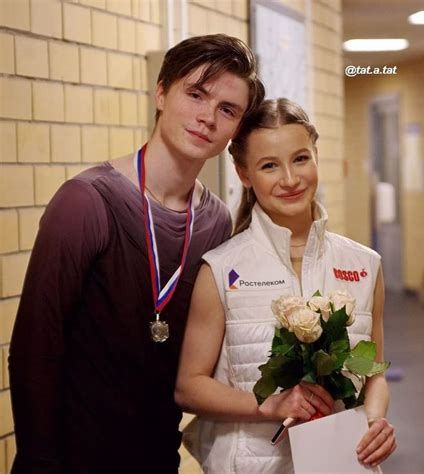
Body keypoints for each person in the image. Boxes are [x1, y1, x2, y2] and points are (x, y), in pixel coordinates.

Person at [8, 34, 265, 474]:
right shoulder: (86, 201)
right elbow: (35, 348)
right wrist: (40, 461)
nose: (207, 117)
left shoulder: (215, 221)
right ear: (161, 92)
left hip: (157, 455)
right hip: (71, 459)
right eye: (196, 94)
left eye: (227, 110)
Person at [175, 98, 396, 473]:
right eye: (269, 166)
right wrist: (267, 406)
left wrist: (374, 422)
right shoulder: (221, 269)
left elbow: (372, 373)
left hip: (342, 463)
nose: (291, 180)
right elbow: (189, 386)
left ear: (315, 155)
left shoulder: (364, 264)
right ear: (243, 173)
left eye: (300, 159)